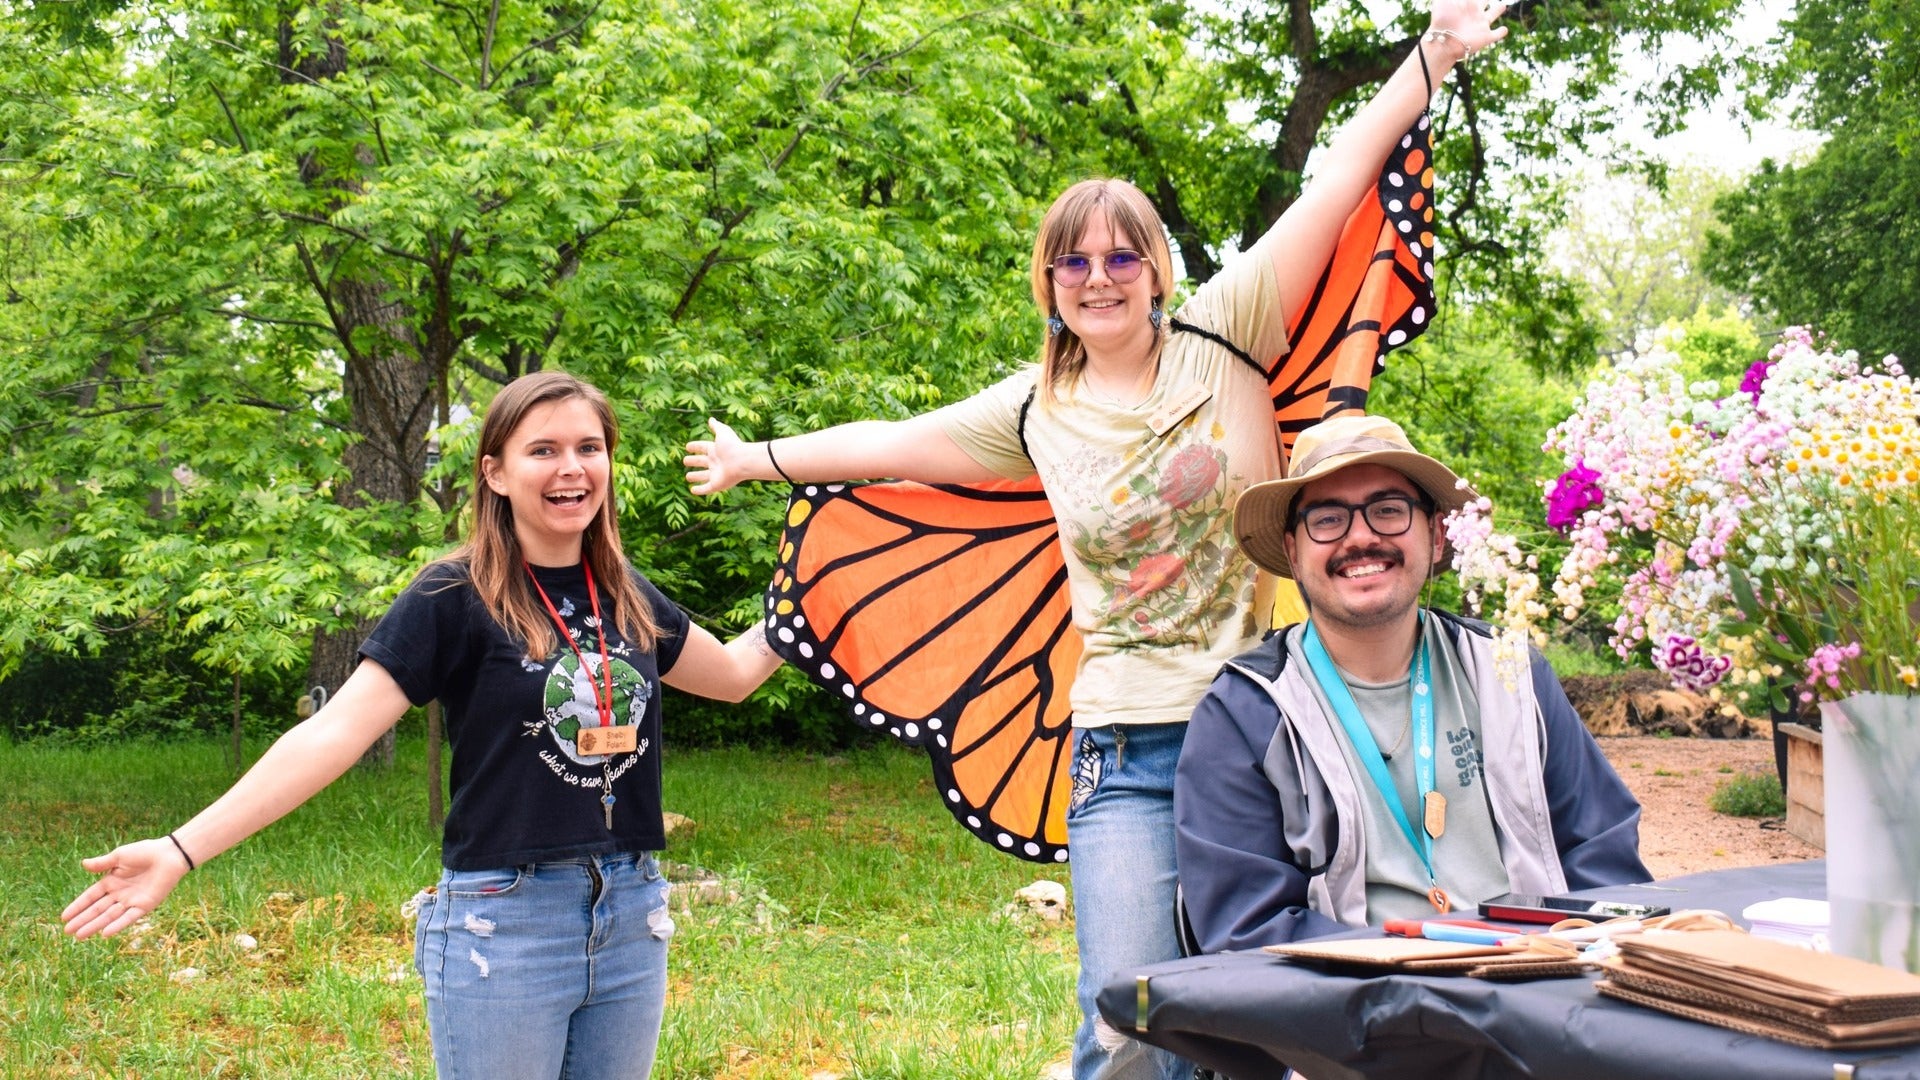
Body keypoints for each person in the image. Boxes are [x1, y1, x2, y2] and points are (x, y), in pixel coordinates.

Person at [682, 5, 1510, 1075]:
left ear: (1158, 271)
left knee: (1257, 1009)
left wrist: (1430, 56)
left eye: (1124, 256)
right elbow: (896, 443)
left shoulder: (1227, 333)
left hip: (1266, 730)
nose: (1101, 277)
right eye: (1074, 264)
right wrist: (758, 457)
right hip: (1124, 746)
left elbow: (1338, 178)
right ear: (1049, 285)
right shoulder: (1034, 409)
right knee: (1128, 1013)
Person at [60, 371, 783, 1080]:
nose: (572, 469)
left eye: (589, 448)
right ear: (495, 473)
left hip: (631, 912)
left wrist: (822, 583)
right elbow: (332, 734)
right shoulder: (453, 594)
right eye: (544, 450)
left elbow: (734, 674)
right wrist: (181, 851)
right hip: (504, 924)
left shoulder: (625, 592)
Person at [1174, 413, 1651, 954]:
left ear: (1437, 533)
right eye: (1328, 519)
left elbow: (1603, 858)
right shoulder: (1244, 714)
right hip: (1358, 1014)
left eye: (1388, 511)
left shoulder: (1512, 674)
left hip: (1535, 987)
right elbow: (1248, 931)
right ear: (1292, 552)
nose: (1361, 536)